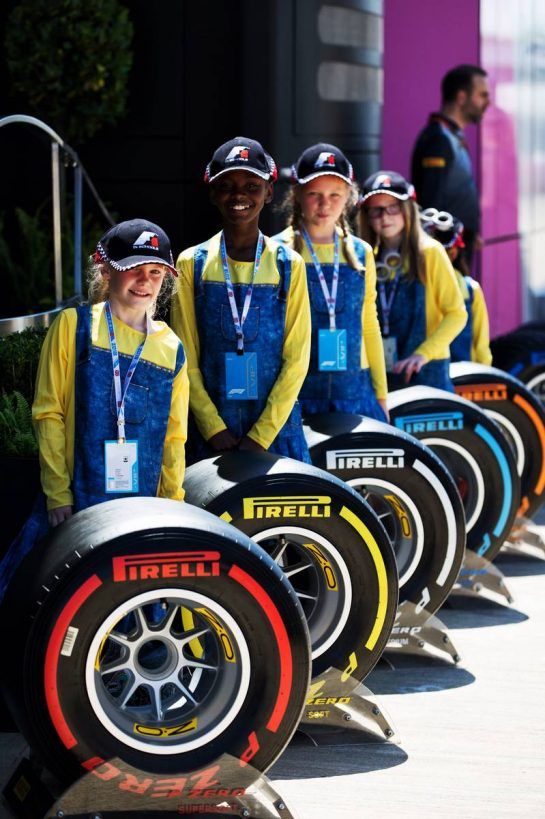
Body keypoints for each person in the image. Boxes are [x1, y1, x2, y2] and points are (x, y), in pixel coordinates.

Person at [0, 218, 189, 601]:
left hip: (143, 511)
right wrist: (58, 496)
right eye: (132, 268)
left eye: (155, 272)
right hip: (75, 506)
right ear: (106, 269)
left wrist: (174, 509)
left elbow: (174, 438)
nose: (144, 280)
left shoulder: (172, 348)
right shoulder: (75, 326)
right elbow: (48, 412)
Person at [171, 137, 312, 463]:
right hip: (210, 436)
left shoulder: (289, 265)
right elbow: (184, 354)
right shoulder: (191, 263)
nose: (239, 195)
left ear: (269, 192)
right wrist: (212, 426)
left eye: (252, 186)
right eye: (227, 186)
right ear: (212, 193)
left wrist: (261, 435)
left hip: (275, 435)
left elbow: (297, 359)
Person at [273, 142, 388, 421]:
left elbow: (369, 323)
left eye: (335, 194)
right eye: (314, 194)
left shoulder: (360, 253)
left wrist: (382, 395)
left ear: (349, 195)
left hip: (354, 390)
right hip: (297, 392)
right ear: (297, 194)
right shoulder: (277, 251)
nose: (325, 204)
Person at [358, 171, 467, 392]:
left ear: (407, 209)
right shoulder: (366, 256)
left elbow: (457, 314)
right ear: (366, 216)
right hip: (381, 374)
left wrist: (422, 355)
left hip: (427, 371)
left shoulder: (430, 252)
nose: (385, 217)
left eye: (393, 208)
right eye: (377, 210)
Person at [411, 64, 490, 266]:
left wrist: (471, 234)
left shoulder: (451, 137)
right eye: (482, 95)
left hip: (457, 248)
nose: (488, 102)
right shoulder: (439, 139)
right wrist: (440, 246)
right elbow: (431, 204)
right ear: (462, 97)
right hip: (445, 255)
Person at [420, 208, 492, 364]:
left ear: (453, 254)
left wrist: (483, 375)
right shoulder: (410, 286)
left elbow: (482, 346)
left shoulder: (471, 290)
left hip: (464, 380)